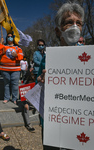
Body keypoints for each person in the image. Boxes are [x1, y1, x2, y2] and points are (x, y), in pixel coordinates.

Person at [36, 2, 84, 149]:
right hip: (53, 119)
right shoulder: (48, 56)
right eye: (69, 22)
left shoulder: (89, 55)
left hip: (81, 120)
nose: (75, 26)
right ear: (58, 31)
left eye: (79, 23)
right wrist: (41, 80)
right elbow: (39, 79)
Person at [0, 33, 23, 104]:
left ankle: (14, 99)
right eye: (8, 37)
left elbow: (21, 56)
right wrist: (0, 43)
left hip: (15, 69)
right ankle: (6, 98)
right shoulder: (4, 46)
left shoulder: (18, 47)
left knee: (15, 85)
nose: (10, 38)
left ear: (13, 38)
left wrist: (16, 55)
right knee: (6, 84)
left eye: (11, 37)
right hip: (5, 69)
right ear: (6, 38)